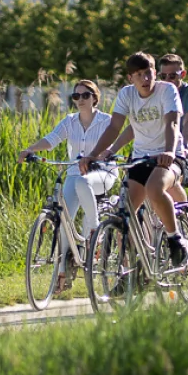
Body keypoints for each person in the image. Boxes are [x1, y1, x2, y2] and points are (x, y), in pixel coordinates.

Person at [81, 51, 188, 270]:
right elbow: (115, 127)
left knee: (155, 188)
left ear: (155, 72)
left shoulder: (167, 90)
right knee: (124, 211)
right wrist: (94, 154)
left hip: (170, 156)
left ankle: (175, 239)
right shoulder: (127, 94)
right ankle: (129, 271)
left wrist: (169, 152)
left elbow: (172, 122)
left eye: (148, 73)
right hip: (141, 158)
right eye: (139, 75)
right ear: (130, 78)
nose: (145, 79)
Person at [19, 78, 119, 252]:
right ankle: (63, 263)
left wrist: (97, 156)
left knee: (83, 184)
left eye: (85, 95)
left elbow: (109, 147)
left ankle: (94, 230)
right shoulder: (69, 121)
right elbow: (52, 139)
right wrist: (30, 149)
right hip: (75, 172)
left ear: (95, 98)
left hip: (102, 172)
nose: (80, 99)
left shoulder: (106, 121)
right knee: (64, 219)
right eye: (76, 96)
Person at [157, 54, 188, 205]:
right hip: (160, 150)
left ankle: (183, 213)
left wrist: (184, 148)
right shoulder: (157, 93)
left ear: (182, 74)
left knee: (166, 178)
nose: (167, 80)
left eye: (172, 76)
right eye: (163, 76)